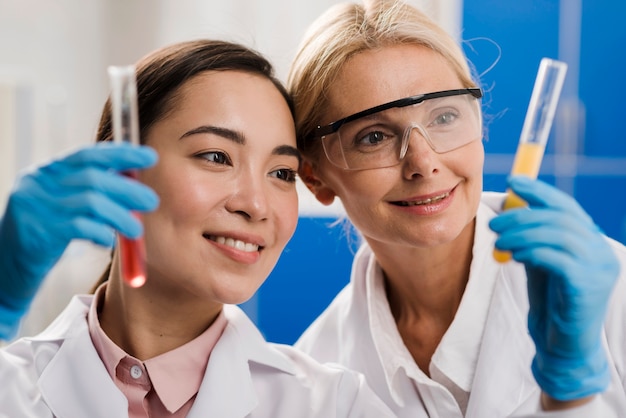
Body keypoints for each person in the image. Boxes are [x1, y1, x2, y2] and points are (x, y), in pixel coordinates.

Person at [0, 39, 395, 417]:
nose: (256, 205)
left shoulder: (333, 406)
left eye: (281, 172)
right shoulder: (11, 389)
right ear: (119, 169)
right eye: (216, 156)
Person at [286, 1, 626, 417]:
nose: (424, 162)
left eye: (444, 116)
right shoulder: (314, 376)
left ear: (479, 124)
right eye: (373, 137)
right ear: (315, 178)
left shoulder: (607, 292)